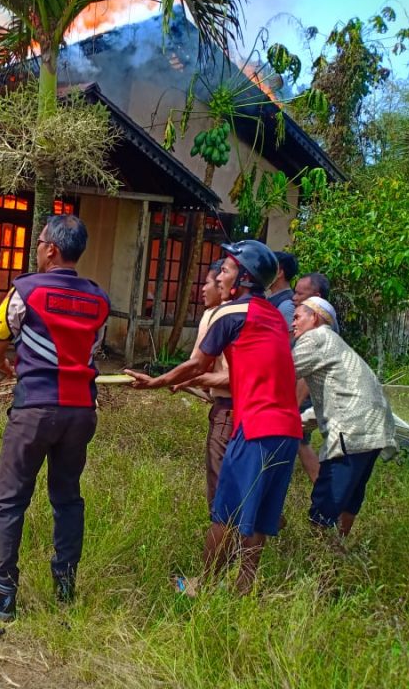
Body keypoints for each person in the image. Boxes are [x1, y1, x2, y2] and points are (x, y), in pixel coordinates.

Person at [125, 240, 301, 595]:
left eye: (226, 269)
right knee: (260, 514)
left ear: (244, 278)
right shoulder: (274, 319)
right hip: (288, 429)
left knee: (226, 510)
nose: (219, 275)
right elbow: (250, 371)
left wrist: (156, 381)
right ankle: (244, 587)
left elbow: (198, 362)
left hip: (256, 427)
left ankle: (202, 586)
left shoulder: (230, 313)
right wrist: (195, 381)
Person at [0, 214, 110, 622]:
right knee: (67, 499)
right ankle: (65, 587)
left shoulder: (25, 291)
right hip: (81, 412)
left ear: (51, 249)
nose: (36, 249)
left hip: (35, 409)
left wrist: (4, 370)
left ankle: (2, 593)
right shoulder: (100, 301)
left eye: (39, 243)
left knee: (11, 499)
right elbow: (92, 349)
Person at [291, 296, 397, 538]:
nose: (293, 323)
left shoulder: (315, 338)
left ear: (314, 317)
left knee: (326, 501)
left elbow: (280, 371)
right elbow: (339, 401)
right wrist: (298, 423)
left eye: (297, 317)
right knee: (351, 497)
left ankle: (319, 561)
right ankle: (338, 547)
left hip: (351, 429)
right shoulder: (336, 344)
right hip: (375, 429)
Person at [187, 259, 233, 508]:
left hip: (228, 408)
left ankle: (225, 539)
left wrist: (162, 380)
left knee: (220, 485)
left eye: (207, 283)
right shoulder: (254, 312)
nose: (203, 289)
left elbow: (197, 365)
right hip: (254, 410)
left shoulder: (217, 314)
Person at [291, 269, 333, 482]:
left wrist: (293, 404)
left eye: (300, 294)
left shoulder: (317, 331)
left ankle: (322, 488)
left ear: (316, 298)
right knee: (298, 441)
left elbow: (307, 374)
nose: (294, 298)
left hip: (311, 396)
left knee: (297, 439)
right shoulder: (320, 324)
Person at [267, 251, 298, 327]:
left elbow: (290, 337)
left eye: (268, 268)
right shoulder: (274, 298)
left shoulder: (287, 305)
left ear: (279, 272)